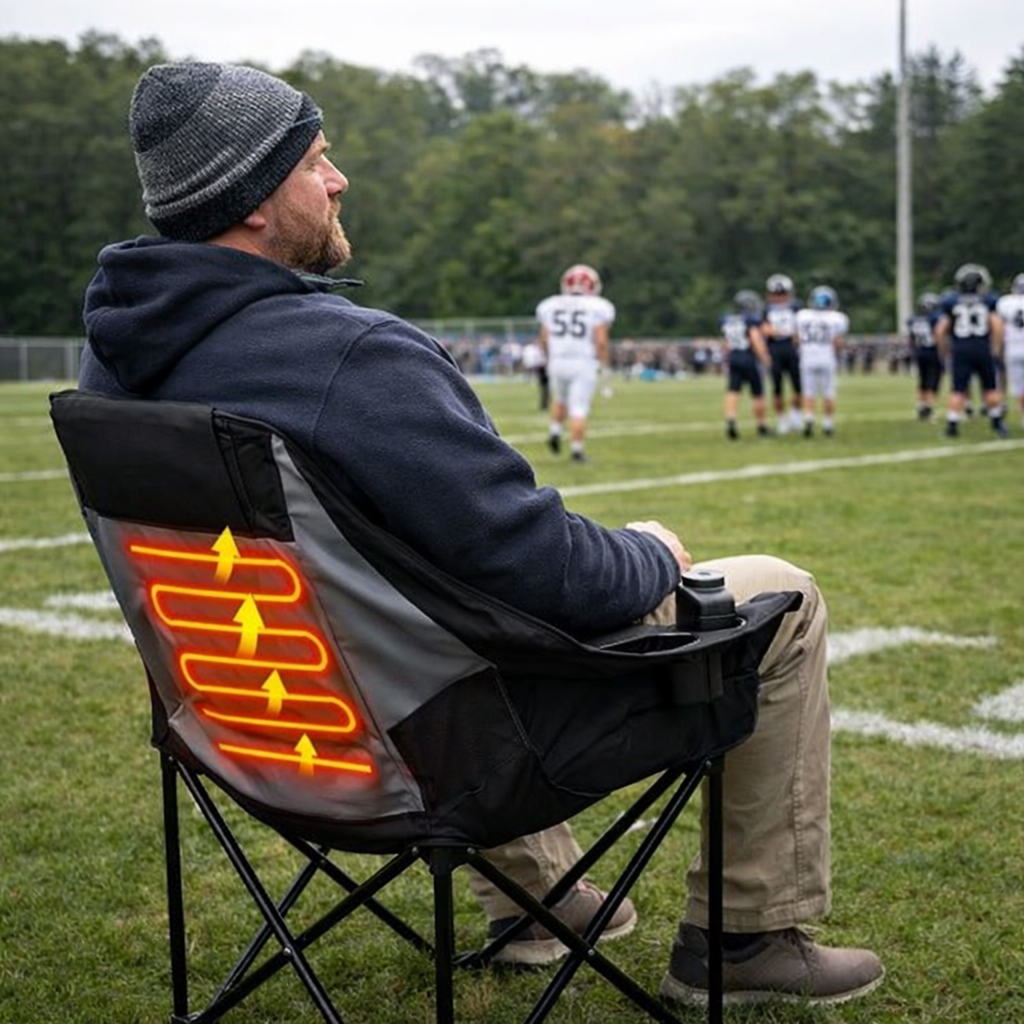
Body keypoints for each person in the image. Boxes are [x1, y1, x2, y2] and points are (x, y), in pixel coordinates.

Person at [77, 62, 883, 1006]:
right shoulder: (349, 356)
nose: (337, 181)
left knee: (418, 618)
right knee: (778, 592)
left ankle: (543, 903)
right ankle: (745, 940)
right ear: (253, 194)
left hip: (252, 730)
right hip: (429, 756)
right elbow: (544, 573)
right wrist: (650, 552)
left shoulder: (112, 367)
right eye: (317, 161)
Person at [535, 263, 613, 463]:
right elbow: (601, 342)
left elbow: (544, 338)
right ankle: (577, 451)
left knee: (560, 399)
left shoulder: (550, 304)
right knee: (579, 407)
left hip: (557, 360)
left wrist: (548, 357)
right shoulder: (598, 307)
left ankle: (554, 431)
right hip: (582, 361)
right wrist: (603, 366)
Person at [935, 263, 1008, 438]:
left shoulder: (951, 301)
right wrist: (996, 348)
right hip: (982, 348)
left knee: (958, 388)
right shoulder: (988, 300)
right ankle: (997, 422)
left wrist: (943, 350)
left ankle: (952, 425)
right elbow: (997, 326)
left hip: (960, 349)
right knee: (990, 387)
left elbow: (939, 330)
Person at [795, 286, 847, 437]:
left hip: (807, 357)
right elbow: (837, 341)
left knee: (808, 392)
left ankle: (809, 418)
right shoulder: (837, 318)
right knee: (829, 392)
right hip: (826, 357)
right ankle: (828, 424)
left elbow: (797, 339)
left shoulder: (802, 316)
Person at [720, 289, 771, 439]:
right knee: (758, 394)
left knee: (733, 391)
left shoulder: (728, 320)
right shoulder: (749, 320)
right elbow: (755, 339)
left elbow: (726, 342)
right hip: (748, 357)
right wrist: (764, 356)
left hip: (734, 356)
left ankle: (731, 419)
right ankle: (762, 426)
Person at [761, 273, 804, 435]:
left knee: (798, 386)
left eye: (782, 294)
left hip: (792, 349)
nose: (779, 297)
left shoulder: (796, 307)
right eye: (776, 294)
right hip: (775, 350)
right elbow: (765, 329)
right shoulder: (766, 310)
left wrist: (794, 335)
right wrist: (782, 332)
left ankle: (795, 416)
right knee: (777, 387)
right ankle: (781, 419)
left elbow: (801, 328)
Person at [906, 292, 944, 421]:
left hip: (919, 352)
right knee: (933, 382)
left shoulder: (913, 319)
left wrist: (912, 351)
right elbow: (939, 335)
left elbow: (910, 338)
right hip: (932, 352)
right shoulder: (934, 318)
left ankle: (922, 405)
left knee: (922, 381)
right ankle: (928, 408)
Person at [995, 273, 1024, 429]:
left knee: (1020, 386)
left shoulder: (1005, 302)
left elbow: (999, 327)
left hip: (1012, 348)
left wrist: (998, 348)